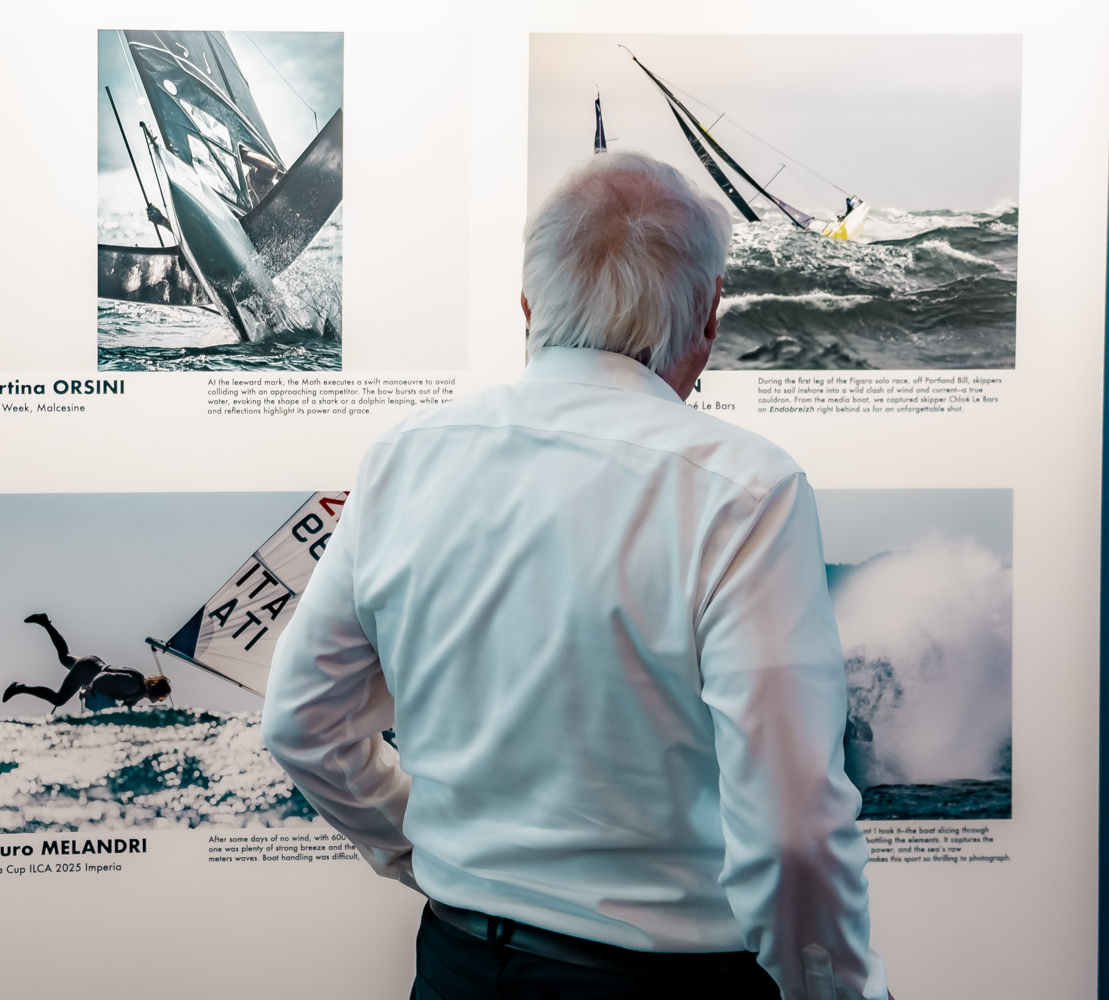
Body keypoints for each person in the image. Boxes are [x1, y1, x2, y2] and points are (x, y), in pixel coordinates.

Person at [263, 151, 890, 1000]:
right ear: (708, 315)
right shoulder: (745, 491)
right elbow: (789, 826)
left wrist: (422, 848)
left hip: (457, 969)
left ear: (528, 304)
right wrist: (837, 993)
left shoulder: (405, 458)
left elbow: (301, 721)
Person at [3, 613, 171, 709]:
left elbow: (123, 713)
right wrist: (90, 688)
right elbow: (106, 677)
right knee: (59, 700)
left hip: (91, 663)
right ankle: (20, 688)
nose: (160, 700)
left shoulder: (138, 691)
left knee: (64, 657)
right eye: (162, 697)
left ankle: (45, 622)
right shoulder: (135, 686)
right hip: (88, 672)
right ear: (156, 690)